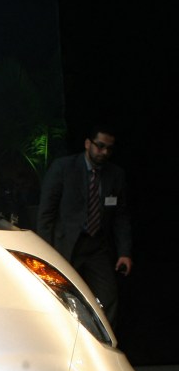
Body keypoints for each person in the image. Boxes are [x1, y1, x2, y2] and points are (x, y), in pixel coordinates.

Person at [36, 123, 132, 325]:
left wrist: (125, 252)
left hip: (97, 246)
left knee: (108, 296)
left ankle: (102, 343)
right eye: (100, 146)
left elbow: (121, 216)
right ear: (88, 144)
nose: (104, 152)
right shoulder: (64, 168)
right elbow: (47, 212)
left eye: (108, 148)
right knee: (61, 295)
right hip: (67, 244)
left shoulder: (115, 174)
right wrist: (45, 250)